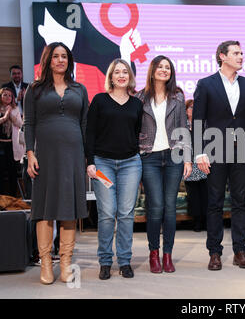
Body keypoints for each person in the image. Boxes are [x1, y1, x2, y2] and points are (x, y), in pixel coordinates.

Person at [23, 42, 89, 284]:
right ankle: (46, 264)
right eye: (56, 56)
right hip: (45, 156)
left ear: (68, 61)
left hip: (73, 155)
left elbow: (84, 125)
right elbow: (29, 124)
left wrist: (87, 158)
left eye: (64, 56)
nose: (60, 60)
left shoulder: (80, 89)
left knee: (69, 208)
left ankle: (65, 262)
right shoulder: (35, 89)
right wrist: (30, 153)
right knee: (44, 210)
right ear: (48, 60)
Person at [193, 40, 245, 271]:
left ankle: (240, 251)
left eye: (242, 52)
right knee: (215, 203)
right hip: (214, 151)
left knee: (241, 201)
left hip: (242, 150)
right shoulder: (206, 84)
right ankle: (214, 253)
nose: (241, 56)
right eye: (236, 53)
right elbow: (198, 120)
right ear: (222, 56)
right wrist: (200, 152)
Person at [86, 59, 143, 280]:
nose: (121, 75)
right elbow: (89, 133)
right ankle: (106, 261)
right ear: (110, 76)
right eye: (117, 72)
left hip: (130, 164)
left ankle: (125, 261)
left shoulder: (137, 104)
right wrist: (90, 162)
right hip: (102, 165)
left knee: (127, 214)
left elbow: (136, 133)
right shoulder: (99, 100)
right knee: (107, 214)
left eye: (125, 72)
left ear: (129, 76)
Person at [136, 55, 192, 273]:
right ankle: (153, 253)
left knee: (170, 208)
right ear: (152, 70)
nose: (164, 70)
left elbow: (184, 128)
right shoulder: (140, 96)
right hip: (148, 157)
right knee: (155, 206)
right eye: (160, 66)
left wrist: (187, 158)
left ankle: (167, 254)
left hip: (173, 157)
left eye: (167, 67)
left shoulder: (177, 96)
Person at [184, 99, 208, 232]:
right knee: (193, 195)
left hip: (203, 161)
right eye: (190, 107)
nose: (192, 110)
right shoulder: (182, 126)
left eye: (195, 107)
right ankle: (197, 221)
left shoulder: (204, 124)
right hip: (189, 162)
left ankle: (205, 220)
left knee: (205, 193)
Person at [0, 87, 25, 196]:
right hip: (0, 144)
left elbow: (20, 124)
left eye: (10, 95)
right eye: (5, 95)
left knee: (12, 171)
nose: (7, 97)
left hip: (11, 144)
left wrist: (11, 115)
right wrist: (5, 116)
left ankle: (12, 197)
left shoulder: (15, 109)